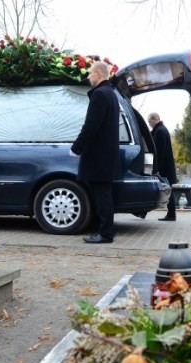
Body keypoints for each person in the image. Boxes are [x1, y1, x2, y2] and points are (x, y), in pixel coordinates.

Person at [71, 61, 120, 244]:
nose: (88, 77)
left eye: (90, 74)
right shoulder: (111, 93)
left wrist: (76, 147)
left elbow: (91, 126)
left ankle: (106, 234)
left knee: (102, 196)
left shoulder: (100, 94)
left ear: (99, 73)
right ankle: (107, 231)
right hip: (106, 155)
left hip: (99, 156)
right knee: (104, 195)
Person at [148, 113, 177, 221]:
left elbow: (159, 152)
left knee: (168, 190)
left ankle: (171, 214)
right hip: (167, 167)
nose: (149, 124)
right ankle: (171, 214)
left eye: (150, 122)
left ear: (155, 119)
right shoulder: (161, 130)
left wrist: (156, 168)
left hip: (164, 167)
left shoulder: (160, 131)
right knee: (168, 190)